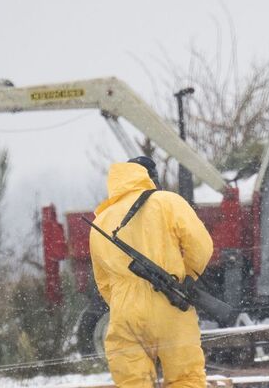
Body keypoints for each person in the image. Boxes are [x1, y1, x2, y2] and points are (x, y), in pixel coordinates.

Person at [89, 156, 214, 387]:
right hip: (170, 303)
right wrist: (185, 277)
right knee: (186, 379)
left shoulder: (101, 221)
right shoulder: (168, 202)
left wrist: (123, 301)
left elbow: (103, 282)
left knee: (133, 382)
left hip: (124, 314)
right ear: (150, 178)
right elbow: (201, 247)